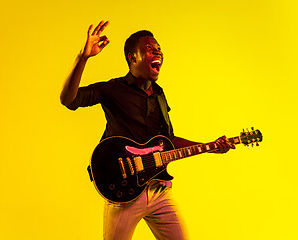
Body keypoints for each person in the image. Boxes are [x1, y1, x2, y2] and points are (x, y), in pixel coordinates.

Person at [60, 21, 235, 240]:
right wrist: (82, 58)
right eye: (150, 49)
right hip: (124, 194)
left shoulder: (159, 95)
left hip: (159, 191)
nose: (158, 52)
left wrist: (208, 147)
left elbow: (167, 140)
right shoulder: (113, 89)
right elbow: (69, 99)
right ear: (133, 58)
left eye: (159, 48)